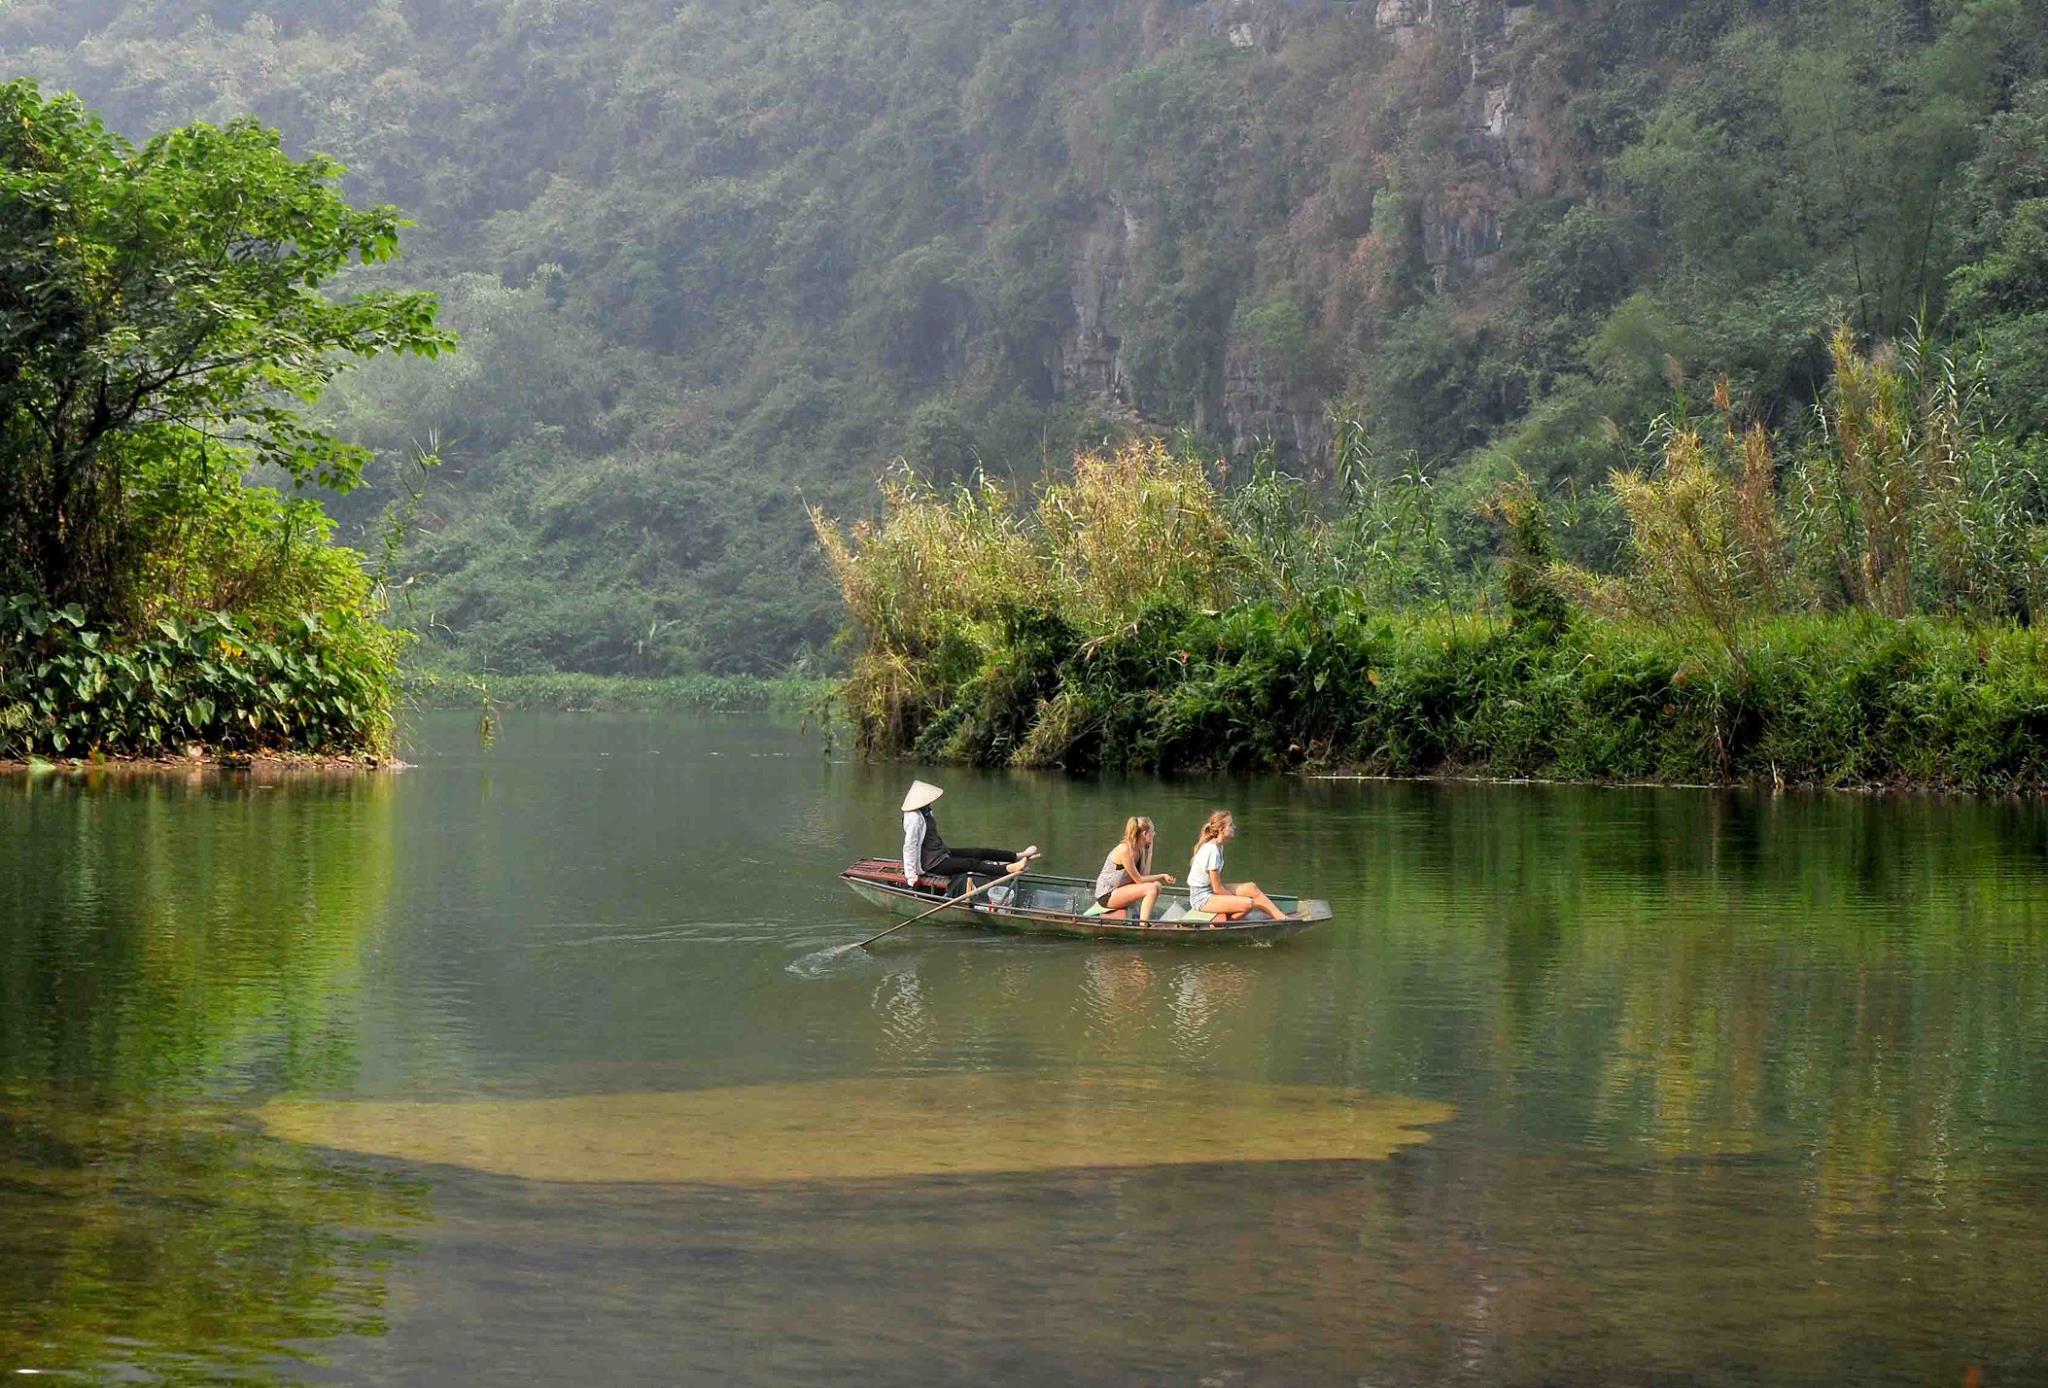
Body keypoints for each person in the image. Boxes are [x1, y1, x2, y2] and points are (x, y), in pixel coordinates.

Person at [900, 781, 1035, 886]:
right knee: (971, 864)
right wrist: (911, 876)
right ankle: (1008, 869)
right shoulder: (914, 819)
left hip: (942, 853)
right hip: (933, 864)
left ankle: (1017, 856)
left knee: (979, 852)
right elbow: (910, 847)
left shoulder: (926, 811)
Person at [1187, 810, 1290, 924]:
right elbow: (1217, 889)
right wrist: (1237, 899)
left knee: (1251, 888)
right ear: (1221, 830)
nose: (1234, 827)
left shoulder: (1218, 846)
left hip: (1209, 890)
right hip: (1201, 898)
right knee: (1248, 904)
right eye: (1230, 825)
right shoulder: (1212, 850)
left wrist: (1236, 898)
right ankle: (1219, 925)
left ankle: (1281, 917)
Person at [1093, 816, 1176, 924]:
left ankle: (1144, 919)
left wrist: (1150, 852)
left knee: (1157, 886)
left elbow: (1144, 876)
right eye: (1152, 832)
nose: (1154, 834)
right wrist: (1162, 876)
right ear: (1145, 834)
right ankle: (1143, 925)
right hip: (1107, 895)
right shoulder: (1125, 850)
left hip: (1121, 889)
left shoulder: (1140, 848)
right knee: (1151, 888)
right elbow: (1139, 880)